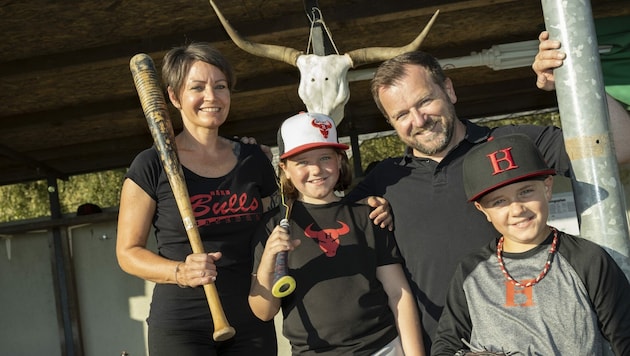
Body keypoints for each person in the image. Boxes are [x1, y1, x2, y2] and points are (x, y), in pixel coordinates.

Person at [345, 40, 630, 351]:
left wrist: (571, 82)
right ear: (391, 123)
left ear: (449, 91)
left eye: (425, 101)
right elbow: (327, 222)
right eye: (402, 115)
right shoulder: (383, 181)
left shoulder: (512, 145)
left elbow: (620, 147)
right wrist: (362, 207)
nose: (418, 120)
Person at [116, 42, 279, 356]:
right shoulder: (150, 166)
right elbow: (127, 253)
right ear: (174, 97)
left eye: (220, 86)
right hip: (181, 326)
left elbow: (283, 220)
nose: (211, 97)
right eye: (197, 87)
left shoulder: (253, 160)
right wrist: (179, 271)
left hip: (251, 317)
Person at [431, 133, 630, 355]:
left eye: (525, 192)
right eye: (499, 201)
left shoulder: (587, 259)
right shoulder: (471, 271)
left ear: (547, 188)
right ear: (482, 210)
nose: (517, 210)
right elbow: (445, 347)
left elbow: (625, 338)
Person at [249, 112, 425, 355]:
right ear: (284, 169)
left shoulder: (369, 215)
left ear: (340, 161)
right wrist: (269, 260)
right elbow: (263, 311)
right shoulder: (273, 227)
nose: (316, 169)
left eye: (325, 157)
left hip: (381, 348)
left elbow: (398, 293)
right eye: (301, 161)